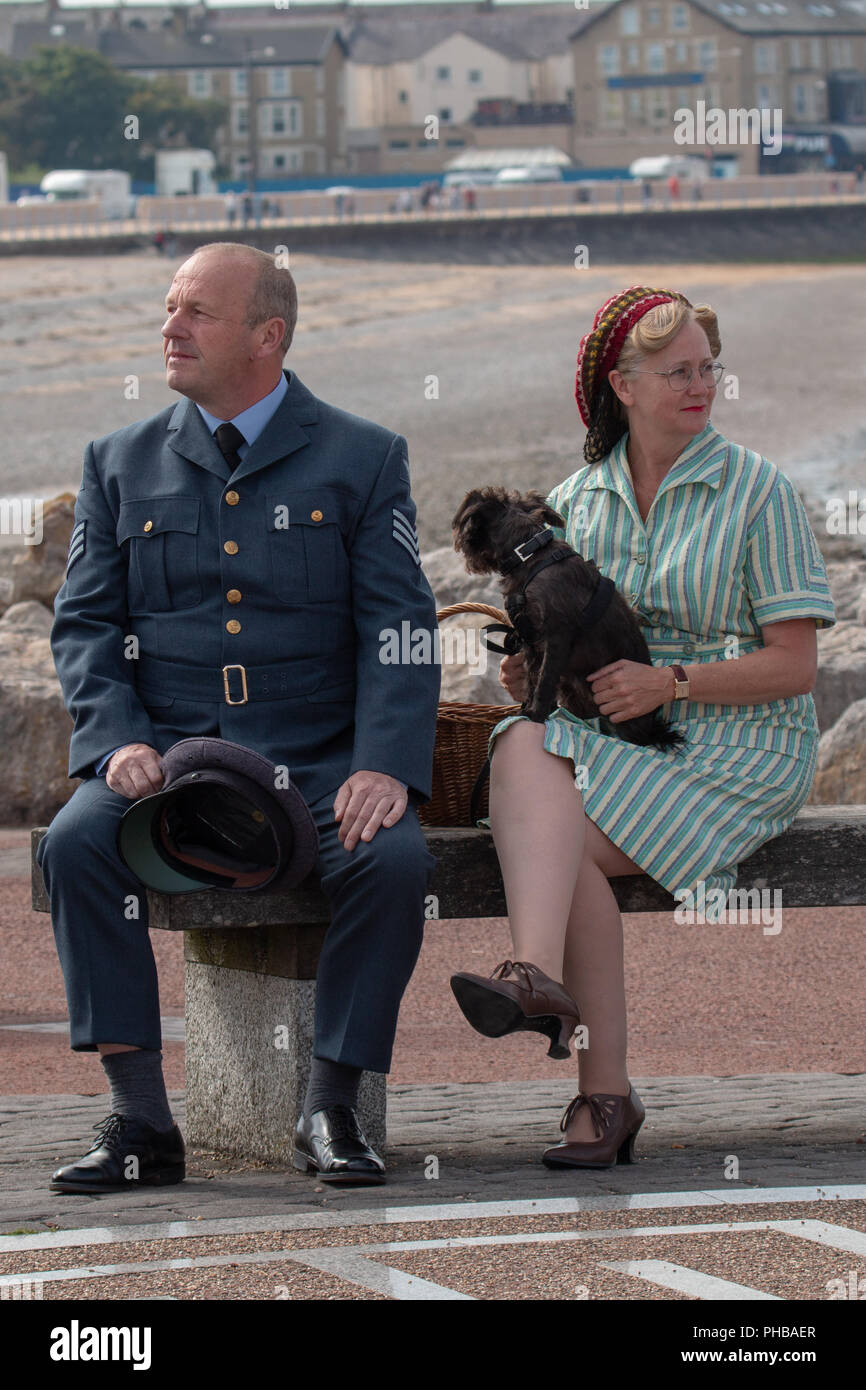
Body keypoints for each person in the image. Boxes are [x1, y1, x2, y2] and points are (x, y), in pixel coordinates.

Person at [38, 241, 440, 1190]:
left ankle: (329, 1106)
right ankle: (140, 1121)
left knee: (395, 862)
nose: (169, 328)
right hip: (169, 766)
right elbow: (86, 625)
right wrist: (118, 740)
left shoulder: (363, 456)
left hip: (324, 763)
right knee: (72, 844)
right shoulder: (118, 461)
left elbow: (401, 628)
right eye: (169, 307)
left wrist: (386, 761)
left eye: (196, 312)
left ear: (269, 335)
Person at [453, 285, 835, 1168]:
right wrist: (527, 671)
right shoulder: (572, 502)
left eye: (708, 369)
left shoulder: (759, 493)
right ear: (620, 385)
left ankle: (594, 1080)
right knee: (519, 736)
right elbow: (556, 650)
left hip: (742, 745)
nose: (701, 387)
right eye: (678, 372)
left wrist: (673, 681)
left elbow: (796, 666)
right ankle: (547, 998)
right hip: (615, 741)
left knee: (553, 834)